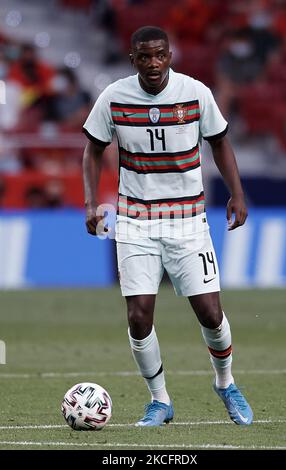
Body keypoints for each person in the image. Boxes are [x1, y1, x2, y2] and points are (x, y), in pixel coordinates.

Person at [82, 26, 253, 427]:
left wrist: (237, 193)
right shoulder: (114, 98)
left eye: (160, 55)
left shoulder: (195, 93)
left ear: (170, 55)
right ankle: (160, 401)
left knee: (210, 313)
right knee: (139, 317)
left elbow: (220, 142)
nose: (153, 63)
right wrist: (91, 202)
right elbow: (92, 150)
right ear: (133, 60)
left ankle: (226, 383)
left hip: (188, 221)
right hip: (135, 222)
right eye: (144, 57)